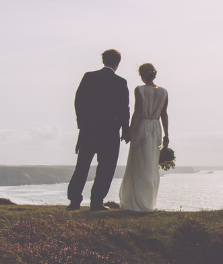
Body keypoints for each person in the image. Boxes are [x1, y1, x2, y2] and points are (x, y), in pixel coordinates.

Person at [66, 49, 130, 211]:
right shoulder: (120, 82)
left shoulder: (89, 77)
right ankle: (96, 202)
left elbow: (78, 101)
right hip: (109, 132)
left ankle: (74, 201)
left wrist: (82, 124)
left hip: (89, 130)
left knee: (82, 166)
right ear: (117, 63)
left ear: (103, 60)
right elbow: (124, 109)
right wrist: (125, 130)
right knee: (106, 168)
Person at [119, 63, 169, 212]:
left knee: (138, 163)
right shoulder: (164, 92)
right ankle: (148, 202)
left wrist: (130, 131)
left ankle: (136, 202)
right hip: (155, 128)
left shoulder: (139, 90)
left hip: (142, 127)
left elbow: (138, 113)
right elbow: (164, 115)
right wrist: (167, 134)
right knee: (151, 164)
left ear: (142, 74)